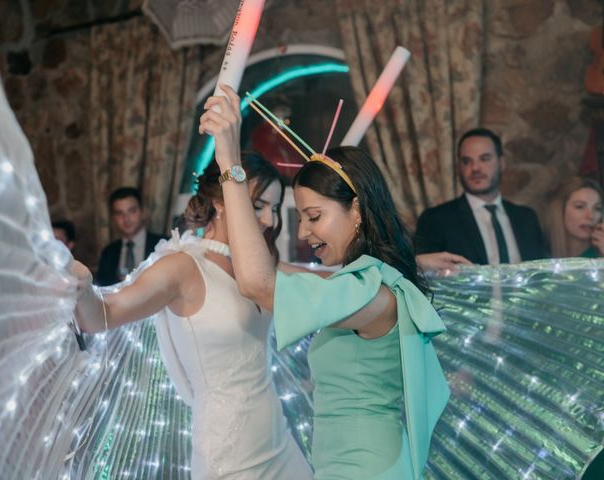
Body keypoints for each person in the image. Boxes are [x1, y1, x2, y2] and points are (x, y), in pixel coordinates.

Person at [200, 85, 449, 479]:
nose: (303, 233)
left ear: (356, 210)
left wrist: (230, 162)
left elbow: (260, 284)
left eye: (314, 216)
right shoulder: (363, 284)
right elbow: (281, 274)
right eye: (300, 218)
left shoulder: (373, 293)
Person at [74, 155, 313, 480]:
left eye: (274, 207)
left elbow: (323, 282)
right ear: (219, 200)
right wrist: (80, 284)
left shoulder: (257, 267)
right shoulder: (183, 266)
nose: (270, 220)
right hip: (231, 457)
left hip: (280, 441)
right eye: (259, 206)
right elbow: (102, 314)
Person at [415, 128, 546, 266]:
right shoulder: (435, 220)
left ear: (501, 163)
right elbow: (425, 278)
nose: (475, 168)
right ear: (459, 167)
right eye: (466, 161)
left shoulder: (526, 218)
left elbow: (540, 274)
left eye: (484, 159)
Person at [95, 187, 166, 286]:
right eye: (119, 213)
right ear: (113, 218)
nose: (126, 219)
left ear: (142, 212)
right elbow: (102, 291)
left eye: (132, 211)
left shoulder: (164, 245)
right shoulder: (108, 253)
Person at [544, 176, 603, 258]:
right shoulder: (540, 255)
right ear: (560, 211)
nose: (591, 216)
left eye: (597, 208)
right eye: (580, 207)